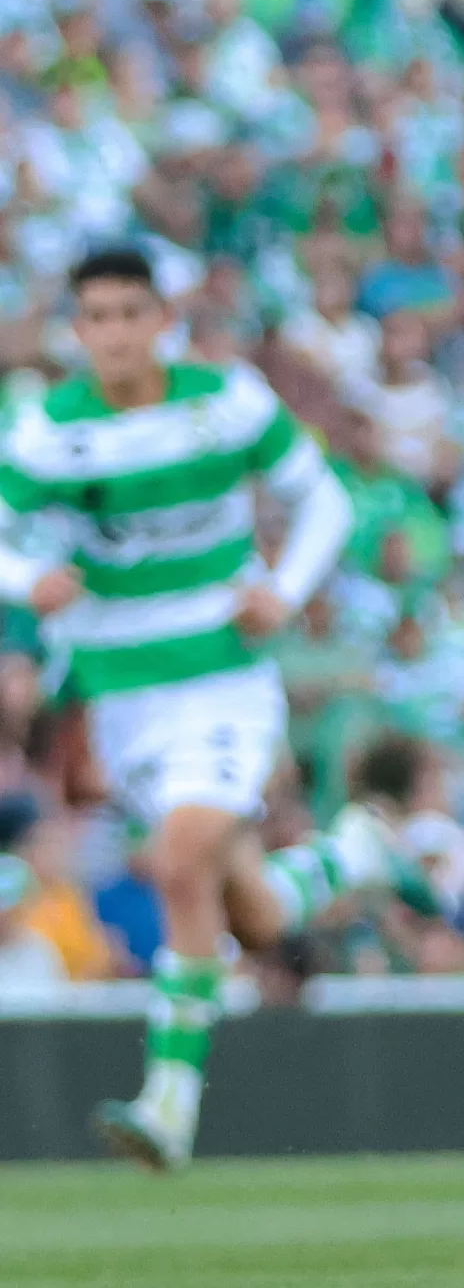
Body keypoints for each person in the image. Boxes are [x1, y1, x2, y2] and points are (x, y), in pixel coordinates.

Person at [0, 247, 358, 1169]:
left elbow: (323, 501)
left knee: (175, 857)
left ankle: (170, 1097)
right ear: (77, 333)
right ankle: (354, 855)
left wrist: (283, 586)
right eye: (98, 317)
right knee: (245, 905)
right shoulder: (49, 431)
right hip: (122, 698)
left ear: (163, 319)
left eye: (132, 312)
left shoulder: (225, 401)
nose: (116, 332)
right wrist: (26, 577)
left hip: (222, 678)